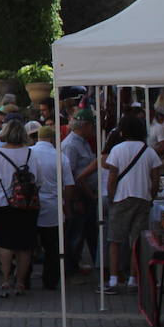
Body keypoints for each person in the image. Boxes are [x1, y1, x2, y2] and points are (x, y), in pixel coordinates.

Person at [103, 114, 163, 295]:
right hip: (142, 199)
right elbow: (156, 180)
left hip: (121, 198)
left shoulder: (117, 150)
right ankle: (133, 279)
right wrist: (150, 197)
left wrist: (112, 198)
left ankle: (113, 278)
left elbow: (112, 178)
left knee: (114, 240)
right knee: (136, 241)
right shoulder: (150, 151)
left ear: (123, 131)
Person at [0, 119, 39, 298]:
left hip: (1, 204)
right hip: (26, 204)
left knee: (4, 242)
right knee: (24, 245)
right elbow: (38, 180)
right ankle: (21, 282)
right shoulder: (31, 154)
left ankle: (6, 279)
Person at [32, 126, 75, 290]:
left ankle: (24, 279)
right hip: (53, 207)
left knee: (29, 245)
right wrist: (67, 206)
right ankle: (50, 281)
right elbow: (69, 186)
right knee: (53, 247)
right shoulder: (61, 157)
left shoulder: (29, 153)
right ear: (52, 139)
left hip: (30, 205)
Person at [63, 109, 99, 273]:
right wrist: (75, 200)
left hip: (87, 193)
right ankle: (71, 268)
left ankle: (92, 263)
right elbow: (70, 175)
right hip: (80, 195)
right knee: (76, 231)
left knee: (89, 229)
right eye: (92, 125)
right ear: (85, 125)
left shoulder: (83, 141)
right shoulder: (71, 145)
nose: (94, 129)